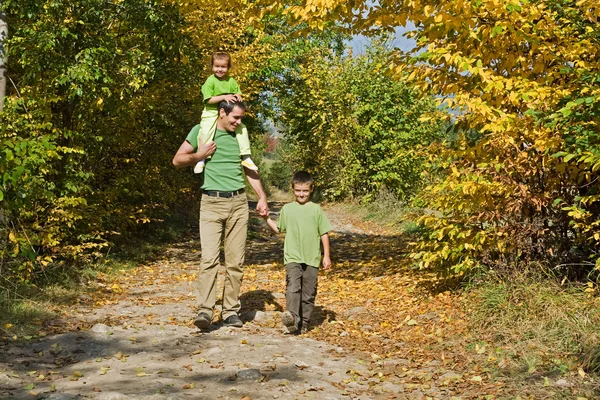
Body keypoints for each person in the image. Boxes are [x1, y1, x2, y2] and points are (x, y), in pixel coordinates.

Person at [172, 100, 269, 330]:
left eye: (241, 118)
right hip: (211, 202)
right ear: (222, 113)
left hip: (237, 202)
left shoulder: (241, 135)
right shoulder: (202, 130)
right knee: (209, 260)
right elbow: (177, 160)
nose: (238, 122)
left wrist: (262, 196)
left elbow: (249, 167)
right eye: (235, 117)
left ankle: (230, 312)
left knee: (236, 262)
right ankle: (205, 311)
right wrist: (198, 155)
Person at [262, 171, 332, 334]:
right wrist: (266, 218)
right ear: (293, 189)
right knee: (293, 286)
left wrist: (326, 255)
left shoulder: (316, 210)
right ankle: (292, 318)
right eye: (298, 190)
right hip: (292, 256)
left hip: (312, 257)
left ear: (311, 189)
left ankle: (304, 321)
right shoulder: (288, 209)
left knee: (308, 292)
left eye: (305, 191)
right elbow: (278, 229)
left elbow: (324, 233)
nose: (301, 194)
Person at [193, 51, 258, 174]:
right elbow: (209, 99)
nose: (220, 69)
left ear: (228, 67)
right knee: (206, 130)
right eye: (217, 66)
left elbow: (237, 92)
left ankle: (246, 156)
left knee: (242, 128)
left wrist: (238, 97)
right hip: (211, 111)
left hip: (227, 113)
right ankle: (201, 158)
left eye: (223, 67)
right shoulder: (210, 81)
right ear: (212, 66)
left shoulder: (231, 81)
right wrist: (224, 97)